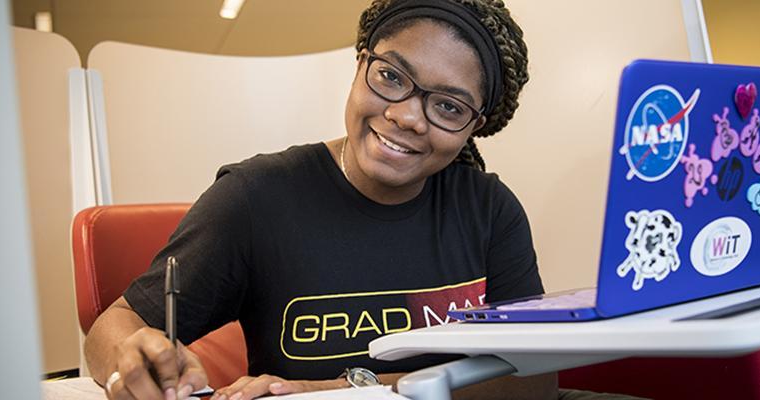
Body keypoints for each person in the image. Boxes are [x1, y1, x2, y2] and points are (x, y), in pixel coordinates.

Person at [85, 1, 632, 399]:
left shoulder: (488, 208)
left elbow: (531, 383)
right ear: (360, 65)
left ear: (474, 127)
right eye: (392, 77)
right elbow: (119, 322)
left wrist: (334, 389)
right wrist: (130, 360)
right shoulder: (256, 199)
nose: (407, 115)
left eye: (448, 107)